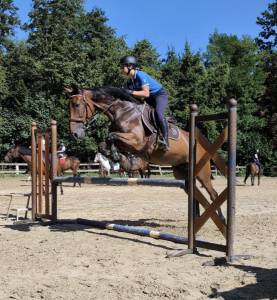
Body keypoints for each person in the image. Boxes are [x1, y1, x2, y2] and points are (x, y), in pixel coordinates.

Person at [120, 55, 169, 151]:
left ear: (130, 66)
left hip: (159, 95)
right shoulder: (130, 82)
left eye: (122, 66)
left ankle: (165, 140)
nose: (121, 69)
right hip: (149, 98)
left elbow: (145, 93)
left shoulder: (140, 75)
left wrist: (130, 92)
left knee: (158, 114)